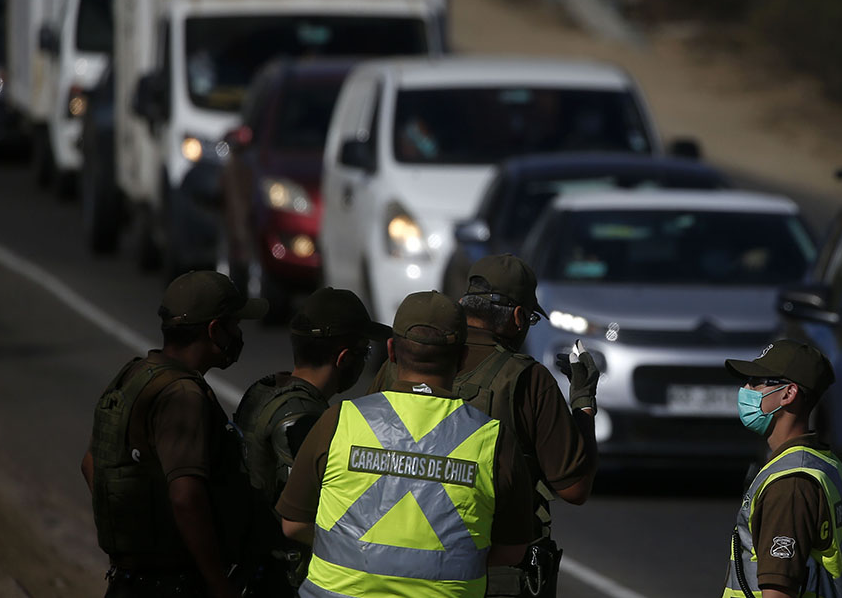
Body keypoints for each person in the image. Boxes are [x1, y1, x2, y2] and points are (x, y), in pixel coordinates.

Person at [370, 253, 599, 597]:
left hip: (390, 564)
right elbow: (574, 488)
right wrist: (583, 403)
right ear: (519, 318)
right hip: (491, 574)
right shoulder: (527, 379)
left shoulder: (401, 366)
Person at [277, 290, 534, 597]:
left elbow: (293, 525)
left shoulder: (337, 421)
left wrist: (355, 553)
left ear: (391, 352)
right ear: (463, 358)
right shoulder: (493, 439)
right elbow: (512, 550)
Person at [81, 270, 268, 598]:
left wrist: (133, 536)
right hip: (173, 586)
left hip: (128, 582)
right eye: (234, 324)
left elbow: (91, 464)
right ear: (214, 330)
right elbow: (185, 497)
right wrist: (219, 586)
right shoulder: (183, 395)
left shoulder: (135, 375)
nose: (239, 334)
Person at [233, 287, 391, 595]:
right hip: (281, 578)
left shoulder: (263, 390)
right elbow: (305, 511)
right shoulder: (304, 417)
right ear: (344, 358)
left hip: (250, 565)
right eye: (364, 354)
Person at [721, 340, 842, 598]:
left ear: (788, 393)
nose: (745, 389)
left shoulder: (790, 485)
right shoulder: (823, 462)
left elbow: (779, 591)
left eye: (755, 381)